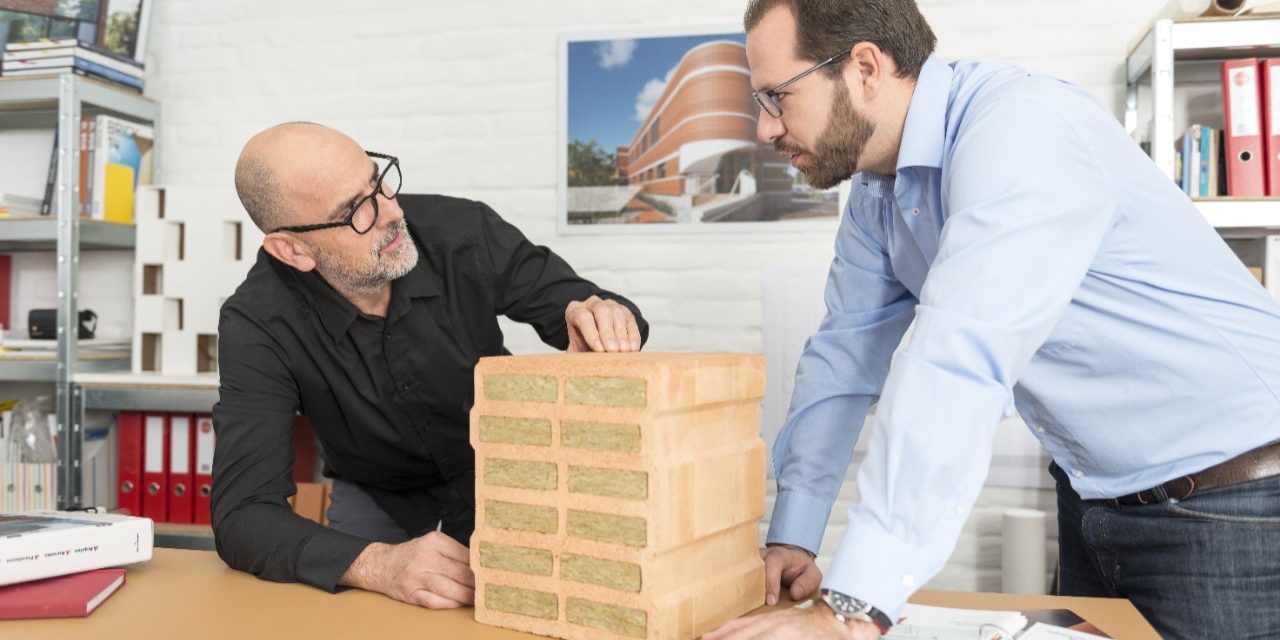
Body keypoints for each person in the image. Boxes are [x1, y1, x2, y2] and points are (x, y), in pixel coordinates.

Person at [707, 1, 1280, 639]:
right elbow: (843, 358)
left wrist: (854, 608)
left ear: (864, 67)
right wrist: (795, 533)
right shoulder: (876, 194)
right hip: (1094, 501)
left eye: (777, 96)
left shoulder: (1020, 129)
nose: (765, 127)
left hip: (1234, 500)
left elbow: (957, 361)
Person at [212, 122, 648, 609]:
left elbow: (598, 310)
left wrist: (603, 320)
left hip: (501, 467)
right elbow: (242, 516)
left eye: (378, 181)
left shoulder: (460, 231)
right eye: (355, 211)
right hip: (377, 490)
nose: (392, 212)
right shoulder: (257, 320)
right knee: (362, 618)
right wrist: (377, 564)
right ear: (292, 250)